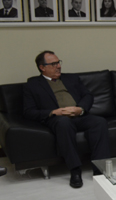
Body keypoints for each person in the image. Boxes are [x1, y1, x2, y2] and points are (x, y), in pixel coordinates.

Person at [23, 51, 110, 188]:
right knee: (64, 123)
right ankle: (75, 170)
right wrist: (54, 112)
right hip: (57, 119)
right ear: (42, 67)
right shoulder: (32, 85)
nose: (58, 66)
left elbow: (88, 95)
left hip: (79, 115)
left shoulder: (72, 78)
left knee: (99, 122)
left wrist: (80, 109)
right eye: (53, 64)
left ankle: (99, 170)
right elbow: (28, 112)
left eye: (58, 62)